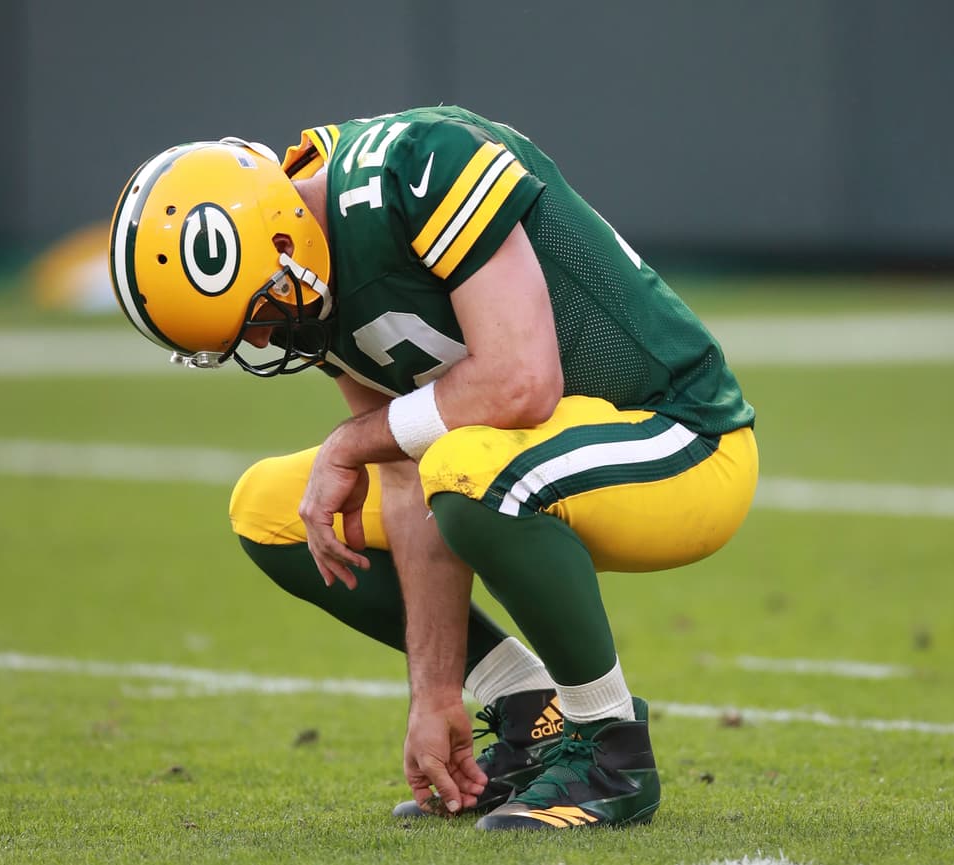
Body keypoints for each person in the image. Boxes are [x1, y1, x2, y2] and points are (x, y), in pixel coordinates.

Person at [107, 105, 758, 830]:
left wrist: (351, 441)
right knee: (271, 511)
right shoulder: (306, 267)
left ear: (282, 237)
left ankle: (610, 744)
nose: (266, 336)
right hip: (532, 461)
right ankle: (524, 704)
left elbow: (520, 382)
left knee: (464, 462)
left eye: (258, 315)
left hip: (680, 439)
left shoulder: (414, 165)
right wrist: (436, 689)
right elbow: (407, 469)